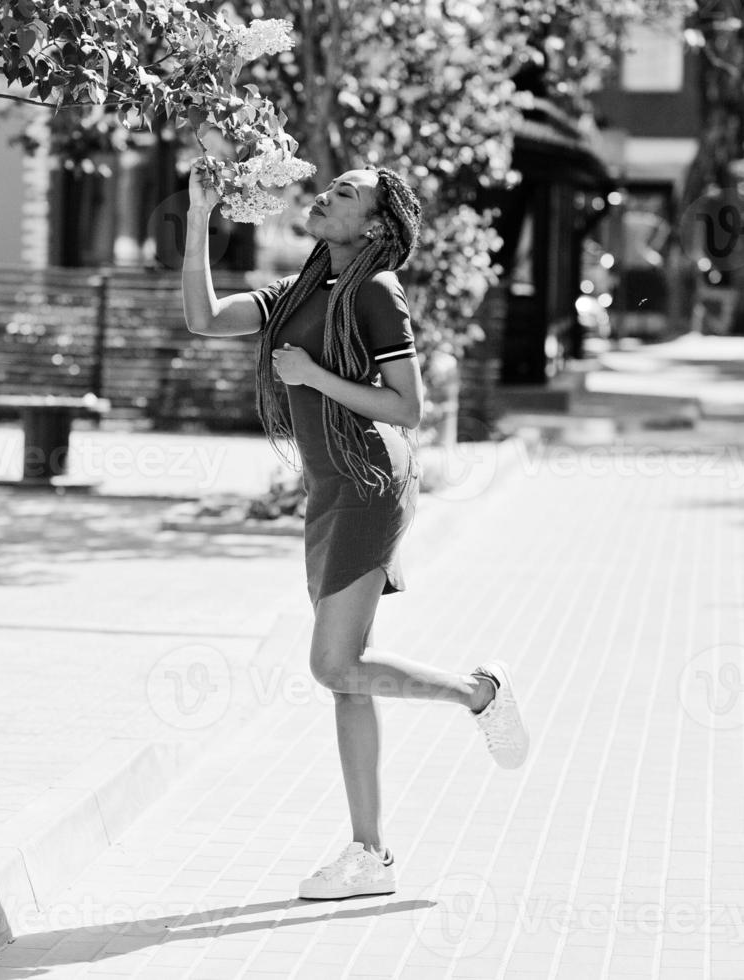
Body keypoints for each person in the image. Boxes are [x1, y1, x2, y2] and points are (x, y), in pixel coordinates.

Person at [181, 160, 530, 901]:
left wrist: (310, 376)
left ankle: (478, 692)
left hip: (369, 482)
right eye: (328, 185)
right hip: (328, 487)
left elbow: (406, 407)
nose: (323, 194)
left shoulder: (375, 290)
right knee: (348, 674)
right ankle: (369, 855)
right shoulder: (300, 290)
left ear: (372, 224)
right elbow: (204, 317)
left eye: (343, 191)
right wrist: (196, 216)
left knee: (333, 666)